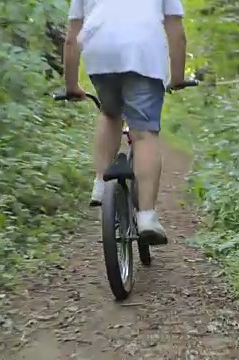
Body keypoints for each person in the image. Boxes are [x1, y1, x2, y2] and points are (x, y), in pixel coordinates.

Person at [63, 0, 187, 245]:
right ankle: (147, 217)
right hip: (143, 53)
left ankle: (100, 183)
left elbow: (71, 39)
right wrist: (178, 77)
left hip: (100, 53)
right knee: (144, 133)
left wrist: (71, 85)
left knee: (110, 114)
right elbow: (177, 32)